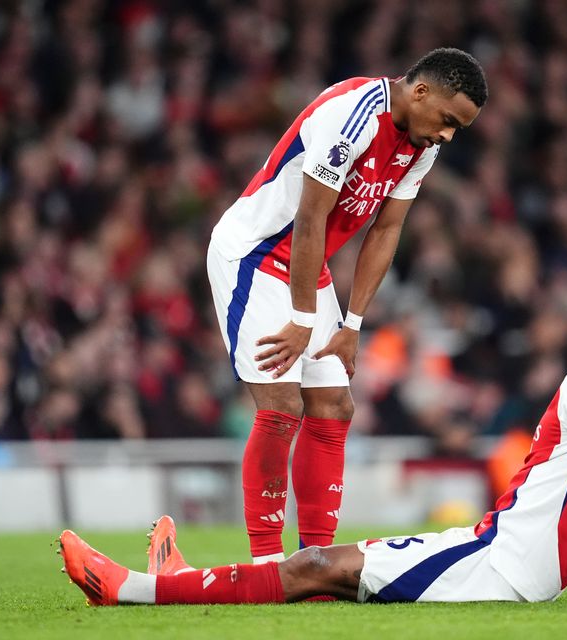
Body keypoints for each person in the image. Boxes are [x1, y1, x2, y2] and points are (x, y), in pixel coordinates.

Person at [59, 303, 567, 606]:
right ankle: (183, 581)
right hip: (503, 557)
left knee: (317, 566)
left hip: (498, 562)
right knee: (327, 576)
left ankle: (129, 590)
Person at [205, 48, 487, 562]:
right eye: (448, 120)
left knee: (335, 405)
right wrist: (302, 319)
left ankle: (316, 562)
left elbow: (387, 228)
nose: (448, 135)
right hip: (254, 252)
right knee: (282, 405)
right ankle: (268, 563)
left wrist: (353, 323)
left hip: (308, 268)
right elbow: (311, 218)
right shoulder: (352, 112)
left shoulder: (421, 147)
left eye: (457, 129)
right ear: (420, 91)